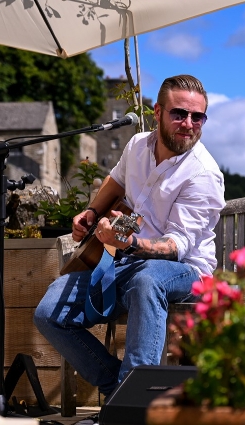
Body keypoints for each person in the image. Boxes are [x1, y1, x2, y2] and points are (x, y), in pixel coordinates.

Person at [34, 74, 226, 397]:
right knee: (49, 312)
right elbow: (116, 181)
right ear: (158, 112)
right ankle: (124, 393)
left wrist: (131, 242)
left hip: (187, 271)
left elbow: (175, 247)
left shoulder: (203, 174)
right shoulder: (138, 145)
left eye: (198, 117)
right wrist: (92, 213)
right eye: (179, 113)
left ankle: (136, 402)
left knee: (148, 280)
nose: (188, 124)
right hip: (125, 261)